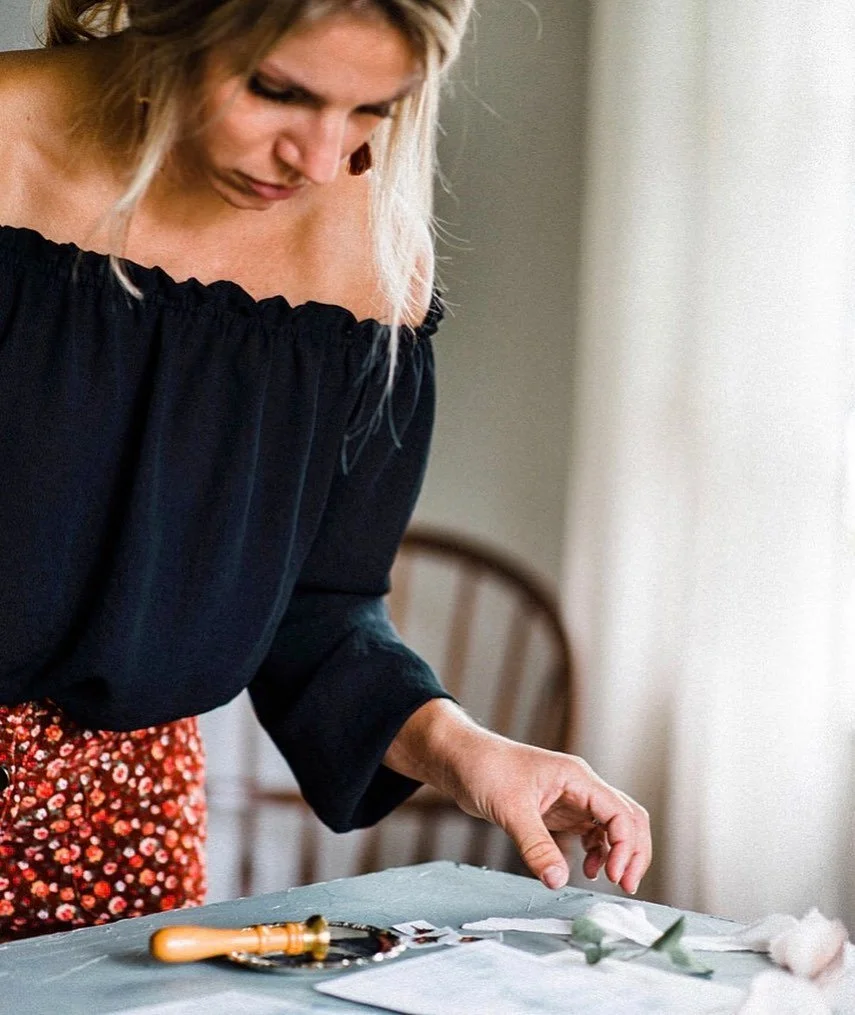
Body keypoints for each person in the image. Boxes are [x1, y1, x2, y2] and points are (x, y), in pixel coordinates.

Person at [0, 0, 651, 939]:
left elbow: (318, 608)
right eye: (277, 90)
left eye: (372, 108)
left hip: (120, 828)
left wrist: (461, 747)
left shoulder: (366, 259)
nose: (315, 159)